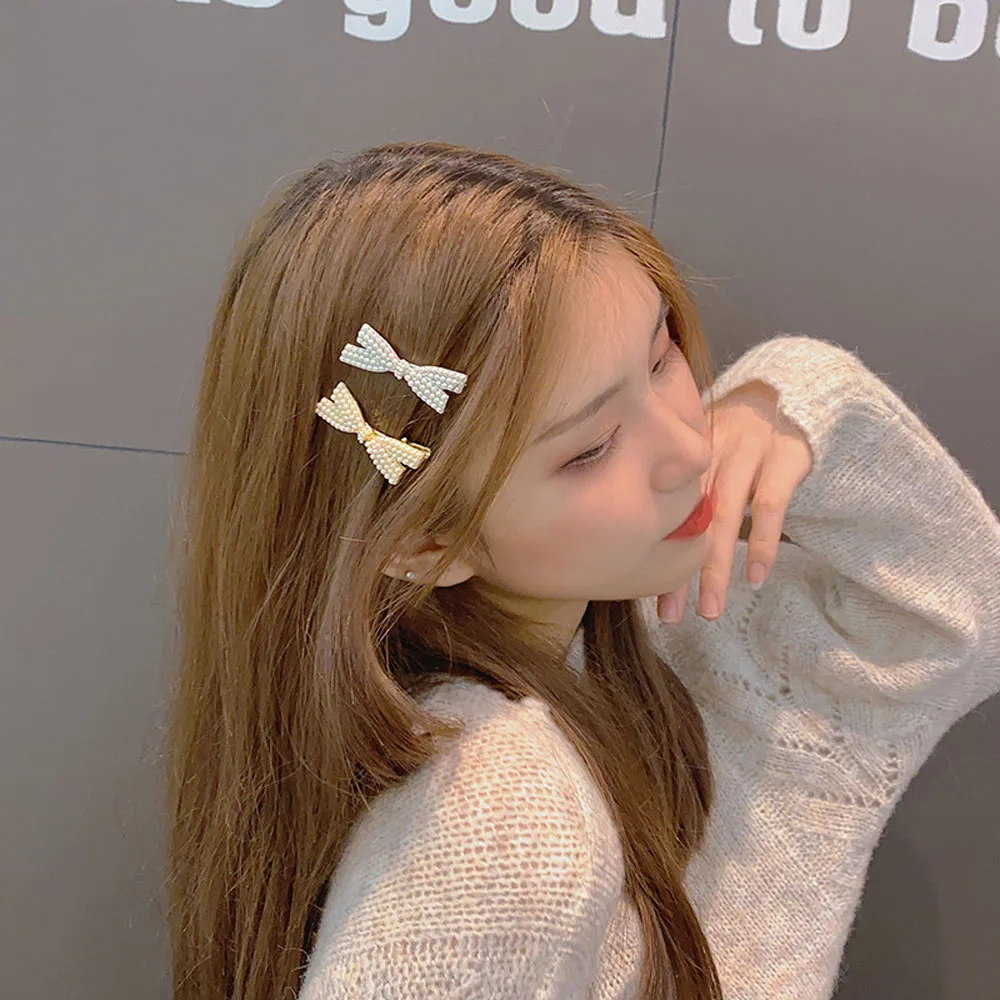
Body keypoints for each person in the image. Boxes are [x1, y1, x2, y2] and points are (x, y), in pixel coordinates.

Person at [161, 141, 1000, 1000]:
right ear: (425, 542)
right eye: (592, 448)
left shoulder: (645, 630)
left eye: (662, 356)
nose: (689, 450)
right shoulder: (497, 823)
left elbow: (956, 613)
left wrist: (788, 402)